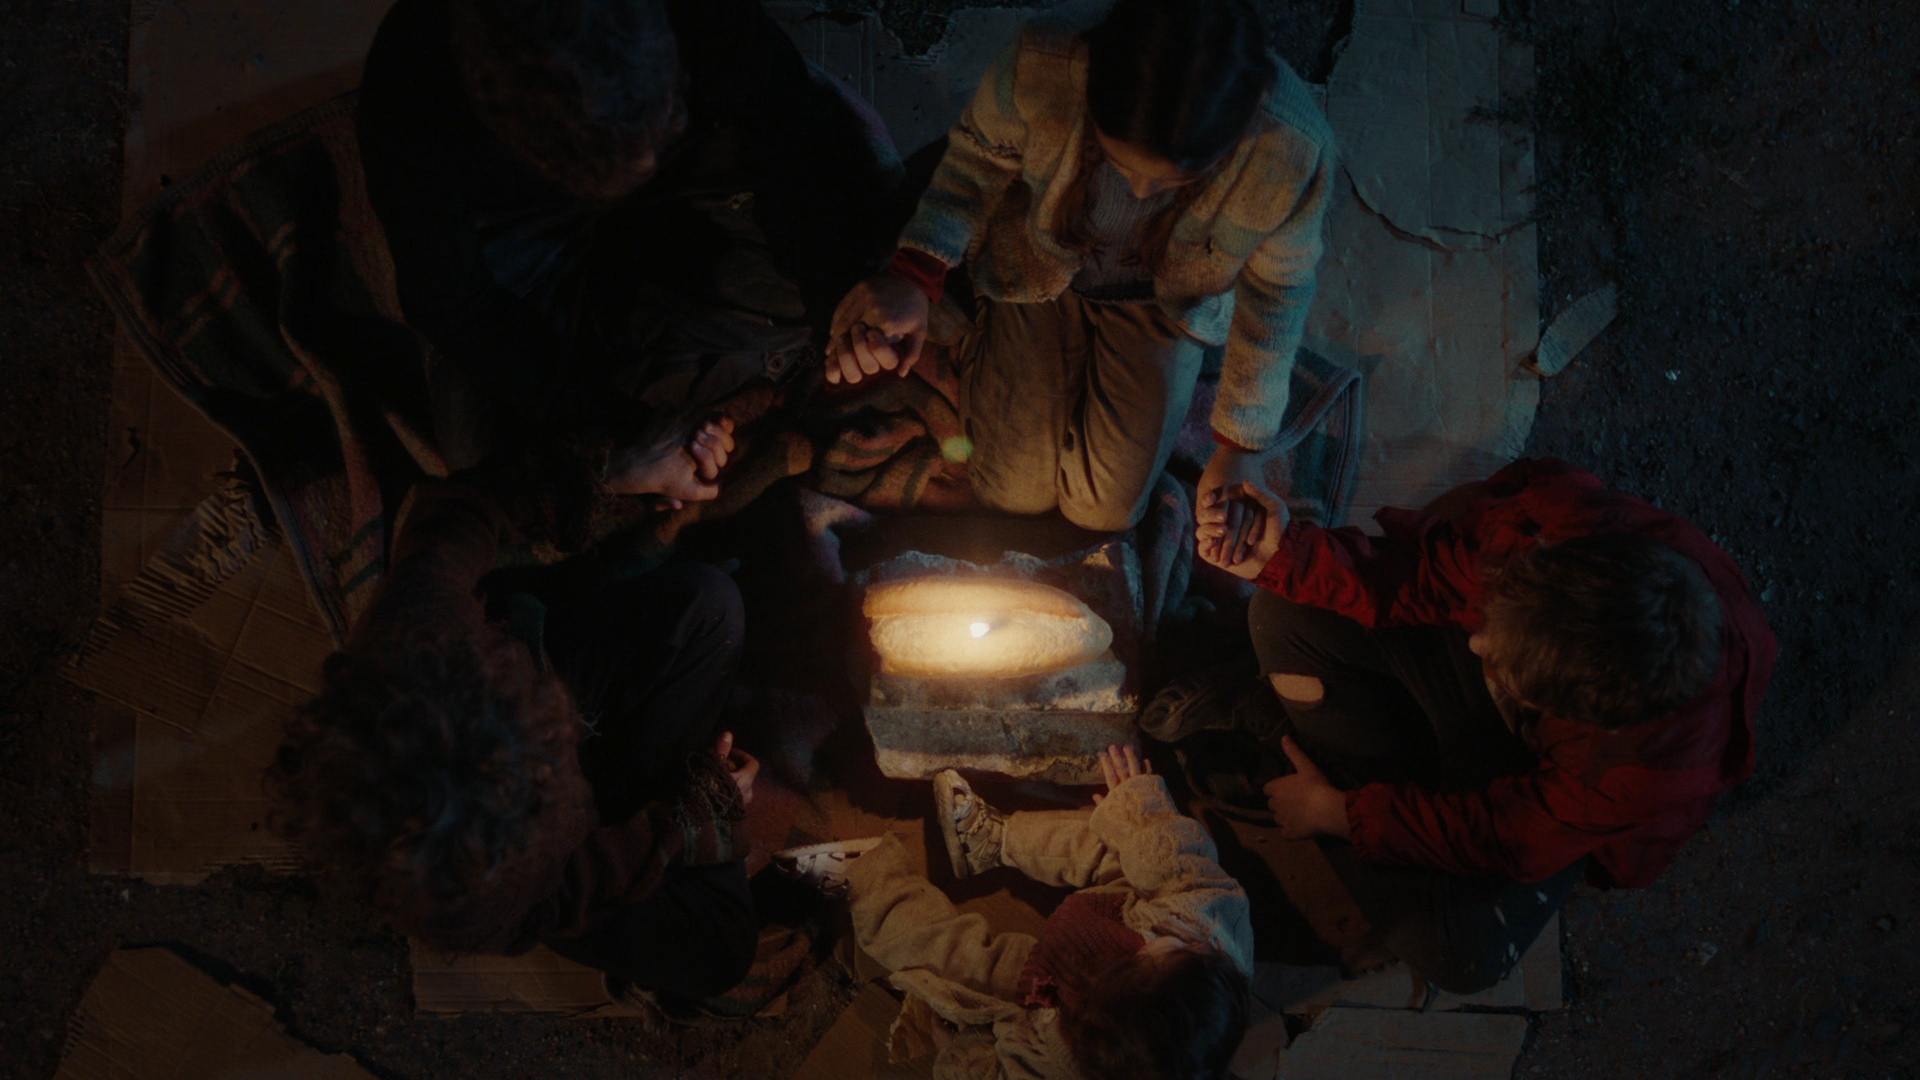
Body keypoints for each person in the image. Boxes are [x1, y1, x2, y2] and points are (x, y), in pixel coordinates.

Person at [1160, 458, 1777, 993]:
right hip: (1520, 683)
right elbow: (1433, 577)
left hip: (1541, 784)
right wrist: (1289, 554)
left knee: (1459, 954)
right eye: (1491, 628)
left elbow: (1507, 832)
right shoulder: (1567, 534)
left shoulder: (1637, 770)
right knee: (1283, 612)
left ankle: (1297, 739)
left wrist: (1337, 814)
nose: (1477, 646)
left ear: (1572, 713)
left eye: (1504, 665)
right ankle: (1313, 738)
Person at [823, 0, 1335, 533]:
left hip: (1166, 300)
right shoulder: (1043, 59)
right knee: (1011, 493)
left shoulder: (1293, 150)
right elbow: (976, 162)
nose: (1140, 193)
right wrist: (916, 272)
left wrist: (1241, 445)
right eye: (1120, 164)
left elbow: (1277, 293)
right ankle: (986, 341)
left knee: (1104, 511)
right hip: (1037, 266)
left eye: (1174, 182)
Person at [357, 0, 895, 485]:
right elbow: (454, 306)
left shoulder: (702, 19)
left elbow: (791, 136)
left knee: (861, 247)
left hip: (695, 175)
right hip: (522, 236)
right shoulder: (411, 89)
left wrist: (836, 300)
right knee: (484, 460)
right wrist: (628, 436)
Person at [267, 480, 764, 998]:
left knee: (710, 603)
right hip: (566, 859)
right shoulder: (476, 902)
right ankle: (672, 806)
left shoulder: (419, 640)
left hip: (536, 687)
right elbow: (579, 880)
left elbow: (462, 508)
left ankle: (659, 793)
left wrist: (617, 472)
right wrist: (688, 818)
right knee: (720, 954)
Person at [778, 747, 1251, 1080]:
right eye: (1186, 947)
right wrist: (1138, 807)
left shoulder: (1061, 1057)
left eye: (1156, 951)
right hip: (1116, 907)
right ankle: (992, 841)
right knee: (1121, 839)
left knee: (955, 964)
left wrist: (957, 1051)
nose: (1171, 937)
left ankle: (870, 882)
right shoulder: (1206, 928)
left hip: (1041, 988)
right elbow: (1179, 865)